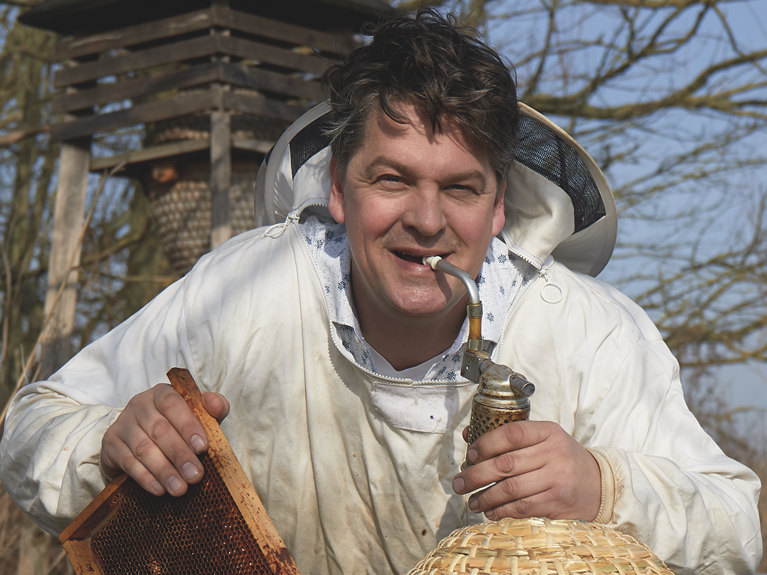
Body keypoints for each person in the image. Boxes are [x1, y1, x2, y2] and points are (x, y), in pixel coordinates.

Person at [0, 8, 761, 575]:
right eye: (392, 178)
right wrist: (106, 444)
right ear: (339, 188)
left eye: (460, 188)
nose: (426, 220)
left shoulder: (591, 335)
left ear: (499, 205)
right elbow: (31, 424)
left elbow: (739, 525)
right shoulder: (247, 290)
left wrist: (604, 484)